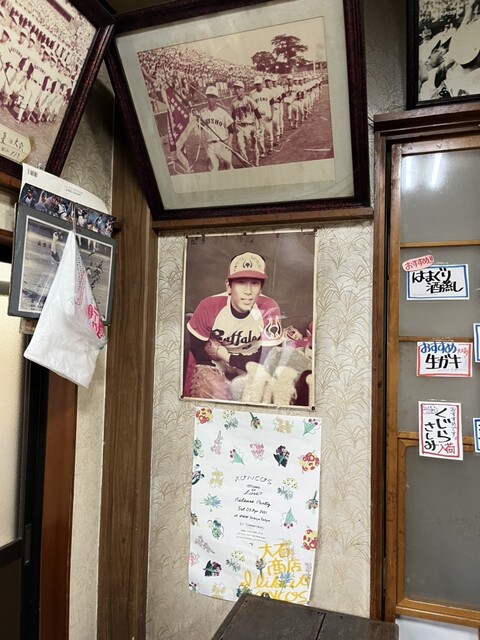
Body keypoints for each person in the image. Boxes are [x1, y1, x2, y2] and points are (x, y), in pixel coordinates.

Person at [184, 251, 284, 399]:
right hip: (218, 364)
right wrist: (215, 375)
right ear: (229, 286)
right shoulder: (209, 306)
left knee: (263, 391)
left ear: (261, 288)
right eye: (241, 282)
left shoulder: (269, 308)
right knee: (209, 389)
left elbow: (269, 358)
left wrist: (227, 356)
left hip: (250, 363)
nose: (248, 291)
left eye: (255, 283)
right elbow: (196, 350)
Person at [198, 85, 235, 171]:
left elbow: (231, 130)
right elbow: (199, 128)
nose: (210, 99)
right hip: (210, 145)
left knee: (228, 168)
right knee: (212, 170)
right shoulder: (203, 113)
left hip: (222, 143)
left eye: (213, 97)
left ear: (216, 98)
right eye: (209, 97)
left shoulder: (222, 113)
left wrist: (230, 142)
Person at [230, 79, 262, 166]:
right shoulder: (233, 102)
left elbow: (257, 113)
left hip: (250, 126)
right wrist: (233, 128)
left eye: (239, 88)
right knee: (240, 146)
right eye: (235, 89)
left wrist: (260, 126)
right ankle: (246, 162)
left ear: (243, 89)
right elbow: (233, 117)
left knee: (253, 145)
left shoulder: (249, 100)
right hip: (239, 126)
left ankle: (256, 161)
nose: (237, 90)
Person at [250, 75, 275, 155]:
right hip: (258, 117)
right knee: (259, 134)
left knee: (269, 132)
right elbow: (251, 107)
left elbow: (272, 104)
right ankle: (263, 150)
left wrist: (272, 114)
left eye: (259, 84)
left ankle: (271, 147)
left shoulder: (267, 91)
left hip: (267, 115)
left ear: (262, 83)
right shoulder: (252, 94)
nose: (258, 86)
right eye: (256, 84)